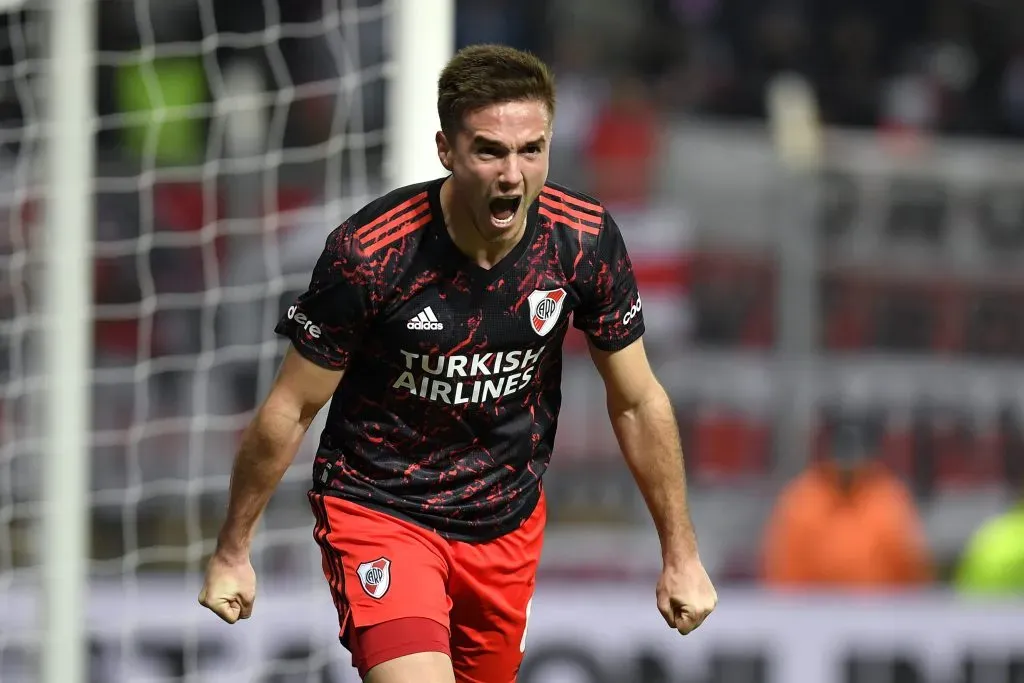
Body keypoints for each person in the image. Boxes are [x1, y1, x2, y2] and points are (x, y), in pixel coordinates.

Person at [198, 44, 717, 683]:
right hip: (382, 507)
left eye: (531, 150)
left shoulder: (582, 240)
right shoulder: (372, 255)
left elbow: (636, 401)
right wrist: (233, 548)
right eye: (490, 151)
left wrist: (681, 553)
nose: (513, 175)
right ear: (446, 150)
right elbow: (293, 405)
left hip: (505, 524)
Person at [762, 420, 934, 589]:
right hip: (812, 603)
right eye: (842, 448)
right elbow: (782, 568)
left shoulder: (890, 499)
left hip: (879, 604)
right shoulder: (802, 499)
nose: (848, 459)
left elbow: (912, 568)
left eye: (855, 449)